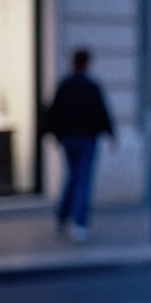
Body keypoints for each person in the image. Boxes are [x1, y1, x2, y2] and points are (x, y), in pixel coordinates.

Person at [44, 48, 115, 242]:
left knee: (73, 177)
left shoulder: (65, 85)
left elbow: (54, 112)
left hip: (69, 138)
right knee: (82, 179)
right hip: (85, 139)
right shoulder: (90, 86)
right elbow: (101, 112)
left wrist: (54, 134)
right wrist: (111, 134)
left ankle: (62, 216)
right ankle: (79, 222)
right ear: (86, 64)